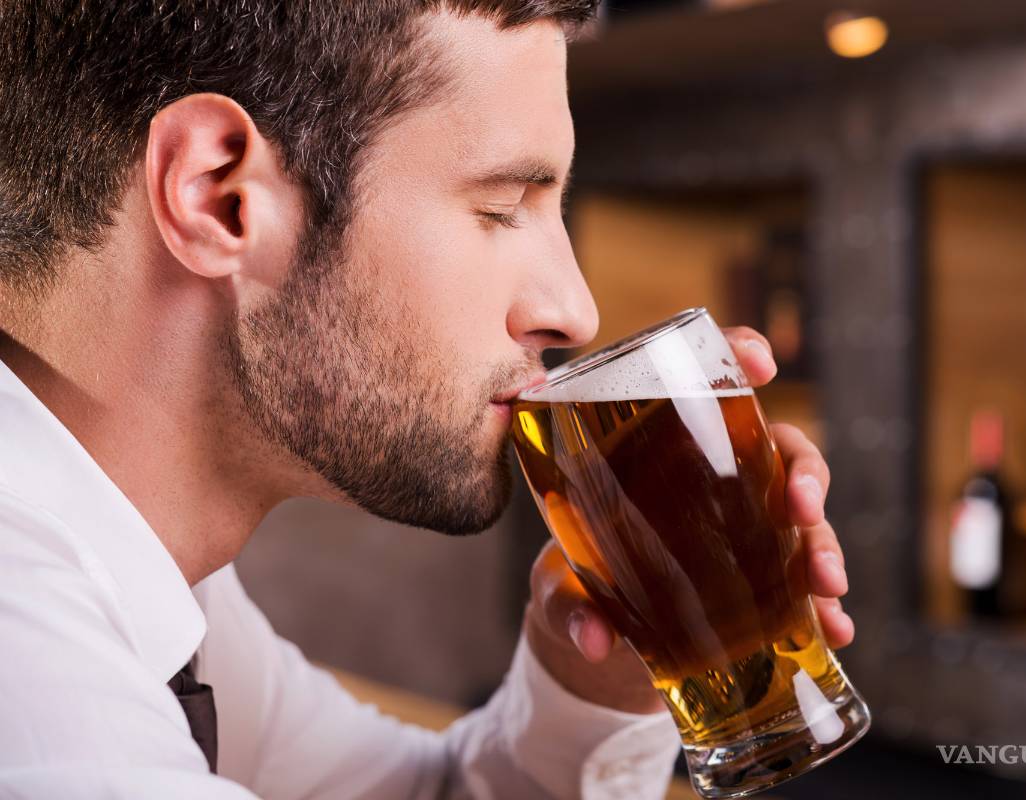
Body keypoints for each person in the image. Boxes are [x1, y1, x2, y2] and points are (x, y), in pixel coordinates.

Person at [0, 2, 855, 798]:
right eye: (501, 207)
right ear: (218, 198)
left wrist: (593, 682)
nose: (574, 311)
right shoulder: (34, 679)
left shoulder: (157, 588)